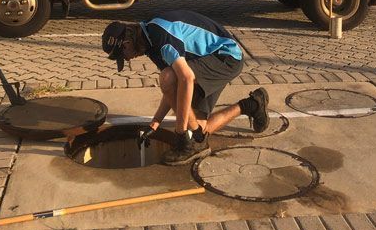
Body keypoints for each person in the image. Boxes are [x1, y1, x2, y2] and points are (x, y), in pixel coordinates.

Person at [101, 10, 269, 165]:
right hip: (207, 58)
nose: (127, 60)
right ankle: (253, 104)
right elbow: (172, 89)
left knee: (168, 78)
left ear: (126, 43)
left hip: (226, 56)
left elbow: (186, 78)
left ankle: (186, 142)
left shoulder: (160, 36)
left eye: (123, 56)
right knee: (198, 131)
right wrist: (155, 123)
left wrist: (180, 133)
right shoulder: (150, 44)